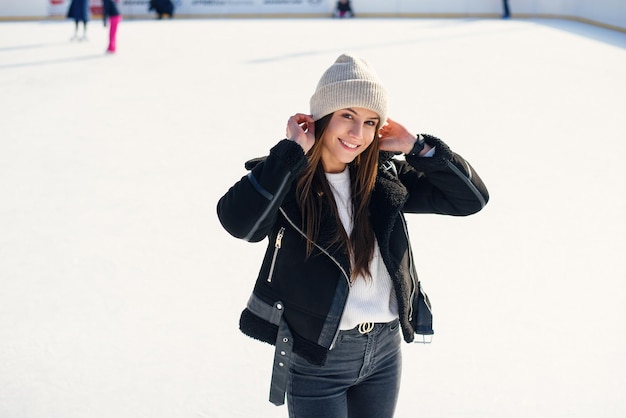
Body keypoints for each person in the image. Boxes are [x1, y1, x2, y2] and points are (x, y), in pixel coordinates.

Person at [217, 54, 489, 417]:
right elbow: (240, 224)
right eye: (347, 115)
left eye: (370, 122)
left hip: (385, 350)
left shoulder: (383, 178)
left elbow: (470, 200)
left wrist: (418, 146)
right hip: (318, 356)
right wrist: (290, 154)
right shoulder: (287, 180)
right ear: (322, 117)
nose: (357, 134)